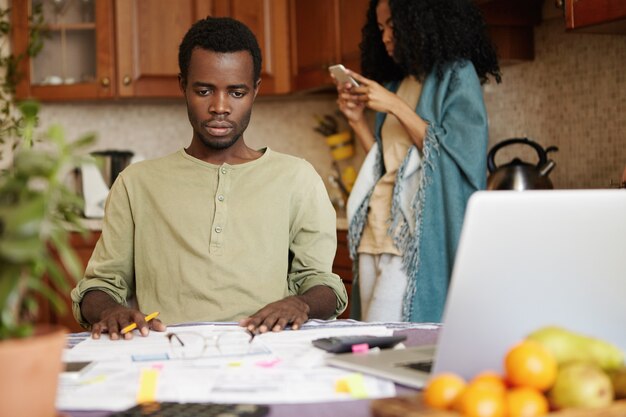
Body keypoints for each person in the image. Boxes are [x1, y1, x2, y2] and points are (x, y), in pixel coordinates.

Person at [71, 16, 347, 339]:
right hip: (168, 353)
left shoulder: (297, 178)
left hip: (267, 354)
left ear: (255, 91)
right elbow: (97, 288)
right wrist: (109, 310)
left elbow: (324, 285)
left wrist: (301, 303)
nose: (220, 107)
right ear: (183, 86)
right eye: (204, 90)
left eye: (236, 92)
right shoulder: (136, 184)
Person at [334, 0, 501, 322]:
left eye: (393, 26)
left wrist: (396, 107)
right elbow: (385, 165)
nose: (385, 37)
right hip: (374, 230)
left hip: (412, 239)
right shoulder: (398, 83)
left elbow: (463, 155)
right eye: (380, 28)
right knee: (368, 341)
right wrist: (356, 121)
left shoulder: (455, 74)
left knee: (392, 342)